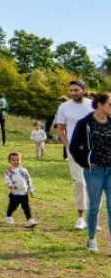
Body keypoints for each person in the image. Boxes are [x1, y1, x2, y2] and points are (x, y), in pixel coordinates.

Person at [69, 92, 111, 253]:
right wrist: (85, 163)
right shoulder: (85, 123)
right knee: (94, 207)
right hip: (95, 171)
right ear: (100, 104)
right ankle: (92, 238)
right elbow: (74, 147)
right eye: (110, 104)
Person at [56, 79, 94, 230]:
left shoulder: (93, 105)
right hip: (74, 150)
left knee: (94, 183)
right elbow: (60, 128)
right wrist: (68, 146)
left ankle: (93, 218)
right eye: (71, 90)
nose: (73, 93)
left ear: (83, 90)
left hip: (94, 150)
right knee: (79, 182)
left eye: (76, 90)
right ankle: (80, 218)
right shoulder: (64, 107)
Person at [5, 152, 38, 227]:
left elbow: (28, 180)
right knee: (13, 206)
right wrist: (10, 185)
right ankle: (8, 216)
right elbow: (7, 180)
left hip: (24, 192)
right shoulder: (8, 171)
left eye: (17, 159)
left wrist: (31, 189)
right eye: (13, 160)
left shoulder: (24, 171)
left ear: (21, 160)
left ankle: (30, 220)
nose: (15, 161)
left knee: (26, 207)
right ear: (9, 161)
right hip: (14, 193)